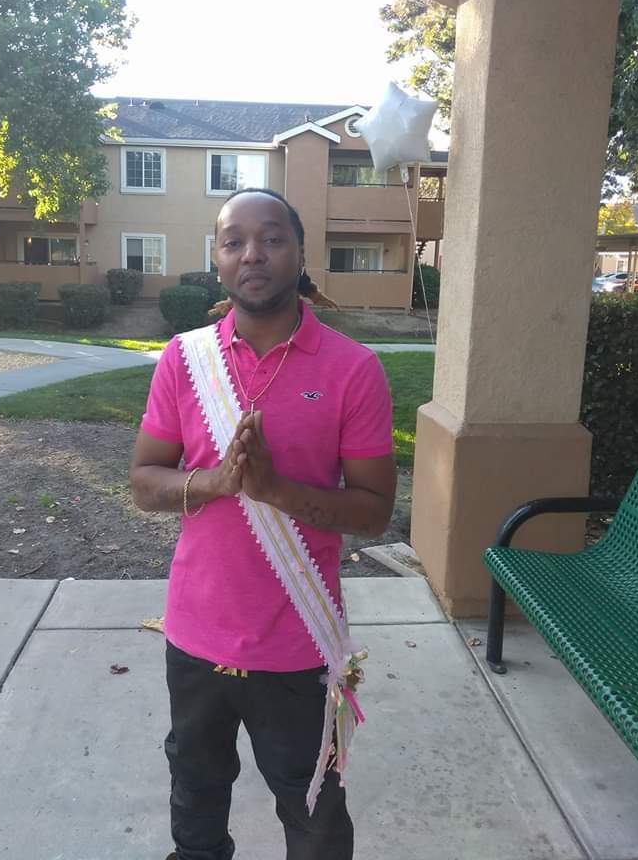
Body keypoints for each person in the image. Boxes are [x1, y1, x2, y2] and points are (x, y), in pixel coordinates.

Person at [130, 188, 396, 860]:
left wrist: (274, 490)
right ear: (218, 260)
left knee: (314, 815)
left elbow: (373, 511)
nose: (252, 254)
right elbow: (144, 481)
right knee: (195, 798)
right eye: (234, 241)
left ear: (300, 253)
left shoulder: (353, 369)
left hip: (299, 643)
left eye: (272, 238)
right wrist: (216, 482)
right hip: (196, 636)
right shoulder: (184, 359)